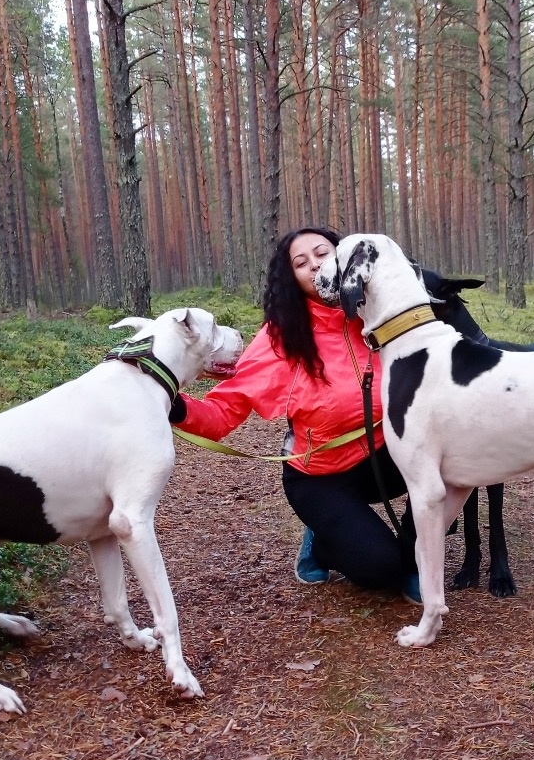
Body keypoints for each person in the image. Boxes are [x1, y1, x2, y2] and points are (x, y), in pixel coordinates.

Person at [169, 226, 420, 604]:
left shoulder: (377, 316)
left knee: (446, 462)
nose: (315, 265)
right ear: (293, 279)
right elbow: (222, 412)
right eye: (301, 263)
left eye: (322, 253)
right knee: (381, 569)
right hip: (320, 477)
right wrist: (172, 402)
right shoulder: (280, 338)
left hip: (385, 456)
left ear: (343, 256)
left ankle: (417, 556)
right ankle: (322, 541)